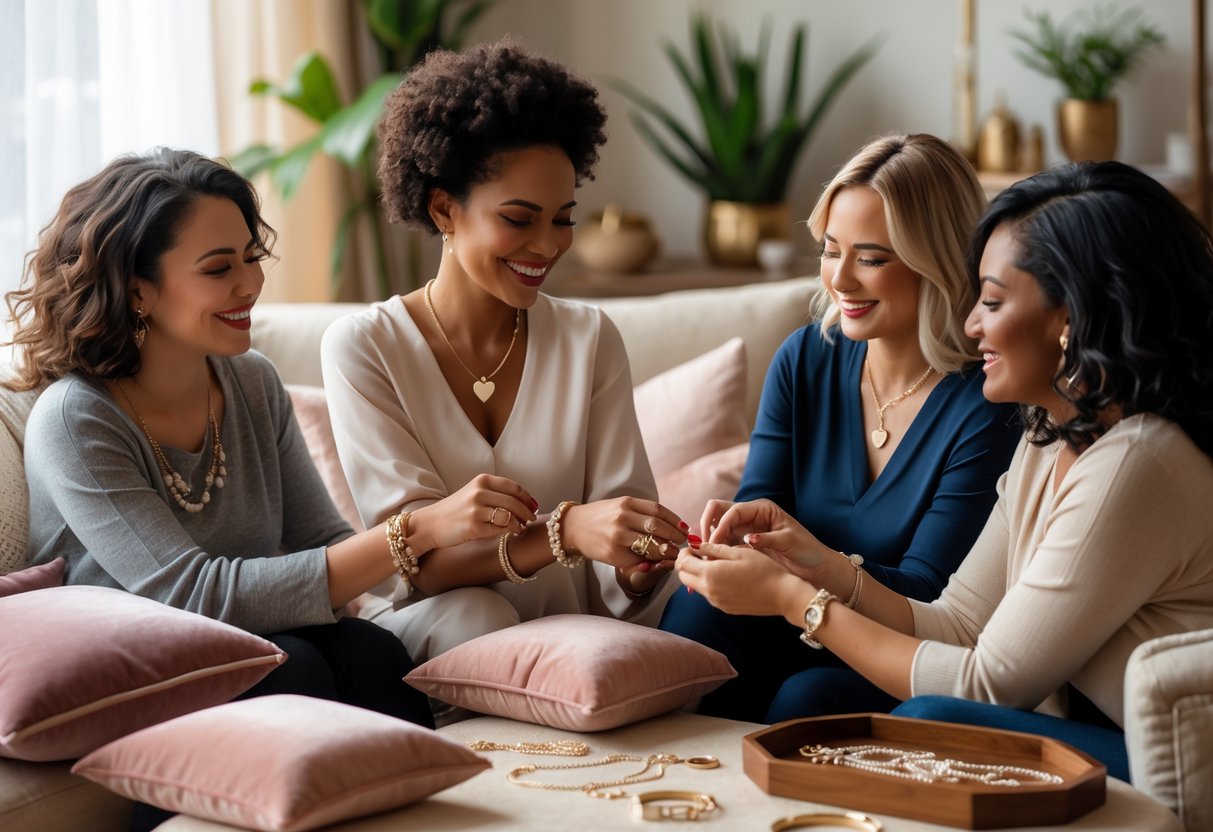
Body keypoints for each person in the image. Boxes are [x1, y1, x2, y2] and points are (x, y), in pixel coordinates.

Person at [676, 160, 1213, 781]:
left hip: (1161, 757)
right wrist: (815, 562)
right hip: (1085, 726)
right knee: (821, 699)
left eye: (991, 301)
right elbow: (957, 623)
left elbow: (986, 684)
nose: (970, 324)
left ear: (1069, 318)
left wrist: (793, 599)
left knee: (916, 714)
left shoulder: (1136, 459)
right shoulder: (1049, 435)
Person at [9, 148, 548, 737]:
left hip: (257, 638)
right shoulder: (75, 419)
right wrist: (417, 529)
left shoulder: (249, 380)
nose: (250, 284)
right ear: (139, 289)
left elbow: (322, 540)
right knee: (296, 671)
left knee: (373, 655)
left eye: (251, 256)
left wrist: (463, 559)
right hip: (133, 660)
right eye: (218, 269)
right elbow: (192, 595)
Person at [320, 40, 685, 664]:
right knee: (475, 612)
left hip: (575, 650)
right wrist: (565, 531)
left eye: (564, 219)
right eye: (519, 219)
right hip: (434, 634)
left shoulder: (589, 339)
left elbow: (620, 561)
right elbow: (418, 563)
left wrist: (638, 565)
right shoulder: (365, 347)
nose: (547, 246)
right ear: (444, 209)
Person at [659, 133, 1021, 724]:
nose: (841, 280)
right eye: (831, 251)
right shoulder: (805, 359)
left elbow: (929, 598)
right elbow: (759, 511)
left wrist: (803, 576)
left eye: (872, 258)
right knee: (700, 613)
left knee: (809, 700)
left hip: (895, 655)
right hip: (785, 628)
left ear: (939, 260)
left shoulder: (986, 404)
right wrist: (719, 546)